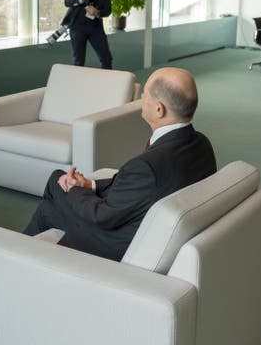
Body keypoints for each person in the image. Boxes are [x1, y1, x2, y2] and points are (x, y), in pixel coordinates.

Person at [23, 67, 217, 261]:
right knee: (49, 206)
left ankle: (13, 254)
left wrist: (73, 187)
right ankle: (18, 254)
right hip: (138, 224)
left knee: (56, 181)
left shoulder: (147, 167)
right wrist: (89, 184)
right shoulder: (202, 144)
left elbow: (102, 216)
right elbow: (137, 190)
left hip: (112, 244)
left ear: (159, 109)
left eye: (144, 94)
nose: (141, 98)